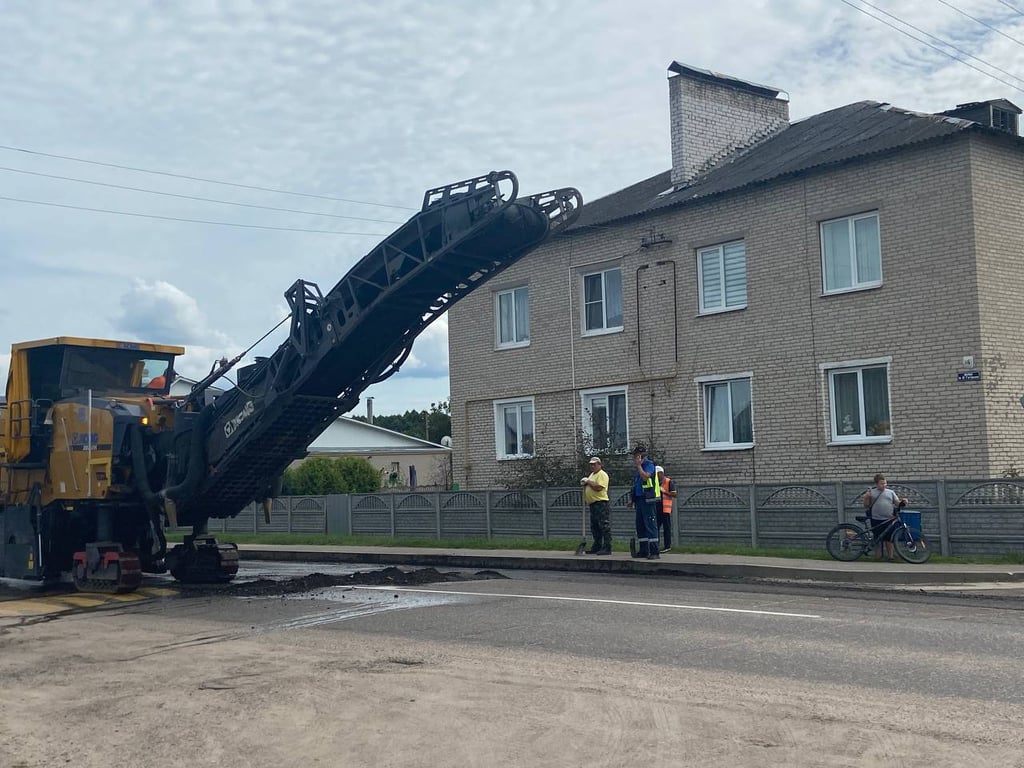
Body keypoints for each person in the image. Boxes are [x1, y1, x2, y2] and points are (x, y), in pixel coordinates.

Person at [863, 473, 907, 561]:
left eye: (885, 483)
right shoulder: (872, 492)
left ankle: (890, 556)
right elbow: (866, 505)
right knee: (877, 538)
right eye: (882, 483)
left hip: (889, 519)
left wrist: (903, 502)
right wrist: (866, 498)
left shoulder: (890, 492)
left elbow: (897, 503)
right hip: (876, 519)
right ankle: (877, 557)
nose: (884, 485)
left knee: (889, 538)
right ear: (876, 484)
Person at [627, 444, 660, 559]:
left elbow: (645, 477)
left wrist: (639, 466)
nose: (634, 459)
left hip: (648, 499)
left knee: (650, 525)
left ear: (641, 456)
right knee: (640, 525)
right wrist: (632, 499)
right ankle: (644, 550)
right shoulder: (638, 468)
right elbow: (636, 485)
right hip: (639, 499)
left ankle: (654, 551)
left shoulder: (649, 465)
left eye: (636, 456)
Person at [580, 457, 611, 555]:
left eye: (594, 464)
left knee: (603, 525)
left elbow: (598, 487)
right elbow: (590, 485)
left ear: (599, 464)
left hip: (601, 503)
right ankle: (597, 546)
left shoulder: (602, 474)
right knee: (595, 526)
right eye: (591, 465)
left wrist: (588, 481)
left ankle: (607, 547)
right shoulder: (592, 475)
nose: (592, 466)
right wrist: (586, 484)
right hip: (593, 504)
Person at [655, 465, 677, 553]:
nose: (655, 476)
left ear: (661, 473)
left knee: (666, 528)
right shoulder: (655, 482)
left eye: (656, 474)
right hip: (657, 508)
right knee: (655, 527)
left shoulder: (668, 481)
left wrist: (664, 491)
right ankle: (655, 546)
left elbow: (674, 494)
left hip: (665, 509)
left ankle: (667, 546)